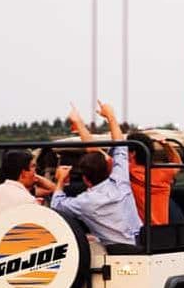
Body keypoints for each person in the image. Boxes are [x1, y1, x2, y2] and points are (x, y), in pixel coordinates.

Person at [52, 100, 142, 247]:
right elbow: (120, 148)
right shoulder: (120, 180)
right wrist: (111, 116)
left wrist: (60, 181)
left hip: (116, 249)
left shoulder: (84, 202)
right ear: (108, 167)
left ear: (86, 179)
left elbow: (57, 205)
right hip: (141, 242)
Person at [0, 149, 55, 235]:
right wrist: (36, 178)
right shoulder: (28, 201)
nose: (35, 171)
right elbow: (54, 190)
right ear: (23, 173)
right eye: (33, 167)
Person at [126, 132, 182, 225]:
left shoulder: (128, 171)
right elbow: (178, 164)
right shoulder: (164, 172)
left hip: (141, 232)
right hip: (162, 231)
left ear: (132, 153)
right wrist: (166, 145)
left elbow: (100, 156)